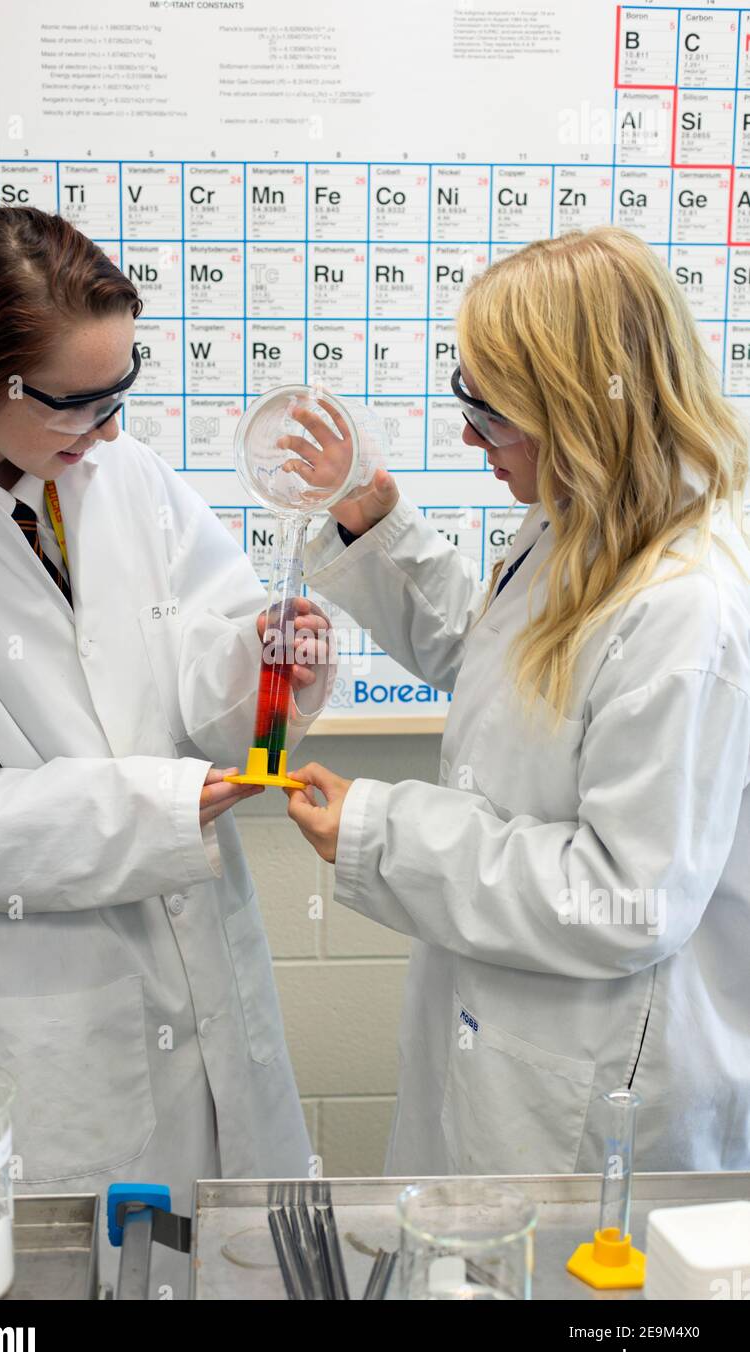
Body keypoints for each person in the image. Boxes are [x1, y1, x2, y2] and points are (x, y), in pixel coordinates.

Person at [0, 205, 332, 1295]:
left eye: (124, 387)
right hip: (46, 994)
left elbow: (202, 646)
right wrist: (154, 809)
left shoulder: (113, 470)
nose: (115, 427)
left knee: (224, 1257)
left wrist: (266, 663)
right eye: (85, 400)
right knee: (68, 1281)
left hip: (197, 947)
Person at [279, 226, 750, 1177]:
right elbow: (504, 662)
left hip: (600, 1077)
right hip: (518, 1032)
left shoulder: (684, 607)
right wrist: (376, 524)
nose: (467, 436)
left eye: (490, 413)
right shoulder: (584, 522)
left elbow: (625, 898)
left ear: (576, 410)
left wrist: (380, 831)